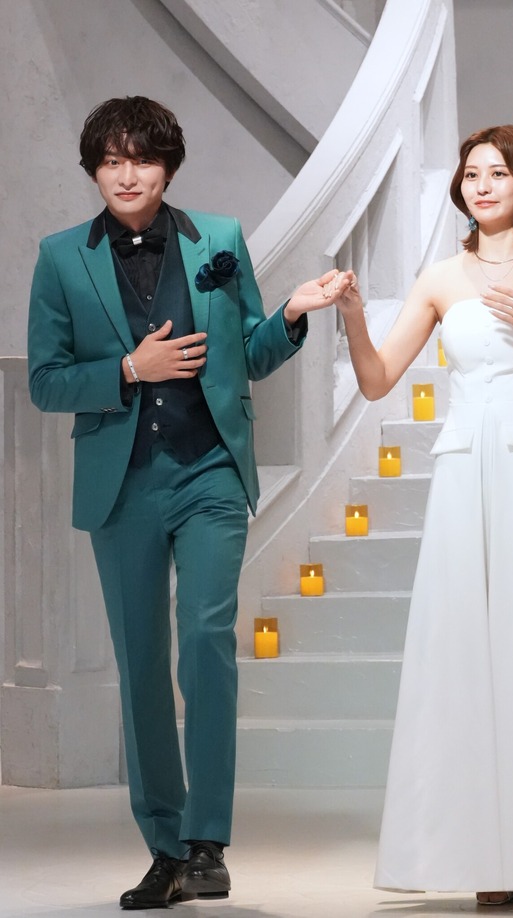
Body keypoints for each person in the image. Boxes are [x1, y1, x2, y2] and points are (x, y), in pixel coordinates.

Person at [28, 95, 354, 910]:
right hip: (123, 485)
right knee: (140, 662)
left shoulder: (220, 239)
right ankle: (165, 849)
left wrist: (292, 313)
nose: (126, 174)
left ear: (167, 167)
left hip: (209, 469)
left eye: (142, 159)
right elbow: (46, 381)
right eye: (111, 161)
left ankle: (208, 841)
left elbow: (249, 354)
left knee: (207, 639)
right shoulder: (61, 258)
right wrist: (129, 370)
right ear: (94, 170)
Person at [333, 125, 513, 905]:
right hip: (464, 466)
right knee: (458, 649)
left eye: (497, 173)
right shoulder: (439, 279)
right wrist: (354, 314)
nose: (482, 185)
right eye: (471, 174)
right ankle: (472, 861)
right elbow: (377, 380)